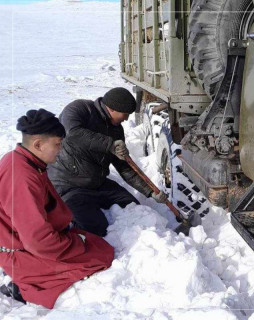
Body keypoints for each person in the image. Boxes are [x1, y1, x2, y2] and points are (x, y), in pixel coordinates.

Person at [0, 109, 114, 308]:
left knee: (97, 245)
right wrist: (76, 243)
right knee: (99, 257)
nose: (60, 150)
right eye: (57, 144)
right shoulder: (21, 177)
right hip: (21, 250)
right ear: (38, 144)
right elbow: (38, 241)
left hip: (31, 240)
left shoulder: (23, 160)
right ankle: (23, 286)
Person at [48, 87, 167, 237]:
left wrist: (149, 191)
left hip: (98, 184)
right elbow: (73, 134)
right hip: (69, 185)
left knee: (133, 207)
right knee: (95, 228)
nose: (126, 119)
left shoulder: (116, 130)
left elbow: (124, 167)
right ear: (111, 108)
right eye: (124, 114)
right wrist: (109, 145)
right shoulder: (80, 109)